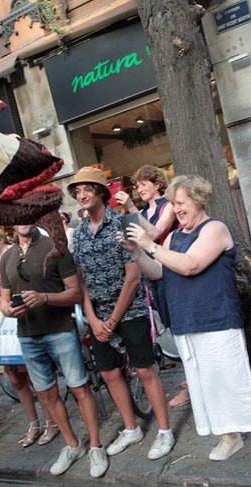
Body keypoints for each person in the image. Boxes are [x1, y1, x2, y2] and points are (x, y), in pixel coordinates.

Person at [119, 174, 251, 483]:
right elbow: (158, 272)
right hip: (185, 322)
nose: (175, 209)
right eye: (174, 203)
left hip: (217, 319)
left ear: (198, 200)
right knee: (207, 385)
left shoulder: (215, 229)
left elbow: (191, 264)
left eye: (180, 203)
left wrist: (150, 245)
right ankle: (229, 436)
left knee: (237, 383)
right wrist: (137, 253)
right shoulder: (173, 237)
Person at [70, 166, 174, 461]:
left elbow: (132, 277)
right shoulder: (78, 234)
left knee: (144, 370)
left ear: (101, 192)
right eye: (77, 191)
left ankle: (164, 430)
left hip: (130, 312)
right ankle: (131, 428)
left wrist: (113, 320)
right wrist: (92, 318)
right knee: (110, 373)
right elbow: (81, 280)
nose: (82, 195)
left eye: (87, 189)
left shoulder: (123, 222)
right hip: (98, 315)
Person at [0, 224, 107, 477]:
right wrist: (7, 310)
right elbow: (4, 299)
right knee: (46, 394)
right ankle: (72, 445)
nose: (22, 220)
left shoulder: (55, 248)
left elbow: (76, 293)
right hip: (27, 334)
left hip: (60, 330)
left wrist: (44, 298)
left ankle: (95, 446)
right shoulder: (7, 255)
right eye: (16, 216)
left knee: (79, 388)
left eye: (26, 214)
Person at [0, 230, 54, 448]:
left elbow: (18, 300)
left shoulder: (9, 270)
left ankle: (50, 422)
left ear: (1, 249)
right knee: (17, 383)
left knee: (36, 380)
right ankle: (33, 424)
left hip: (20, 329)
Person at [115, 165, 184, 407]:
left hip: (170, 270)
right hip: (151, 271)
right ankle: (190, 380)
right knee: (169, 323)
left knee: (178, 324)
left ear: (157, 184)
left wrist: (133, 209)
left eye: (144, 183)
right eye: (137, 185)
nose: (140, 188)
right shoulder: (145, 209)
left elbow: (155, 233)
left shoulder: (168, 206)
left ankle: (190, 382)